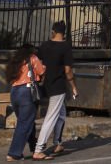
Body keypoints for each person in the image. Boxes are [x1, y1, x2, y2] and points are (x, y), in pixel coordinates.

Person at [33, 22, 78, 160]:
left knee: (61, 114)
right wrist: (73, 86)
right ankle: (39, 149)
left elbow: (38, 63)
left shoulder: (44, 45)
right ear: (63, 33)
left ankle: (57, 143)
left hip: (46, 84)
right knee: (51, 117)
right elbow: (68, 70)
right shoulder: (65, 47)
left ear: (53, 31)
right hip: (58, 86)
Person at [6, 43, 45, 162]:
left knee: (27, 122)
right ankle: (14, 153)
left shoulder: (16, 61)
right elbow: (41, 72)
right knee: (24, 123)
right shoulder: (33, 58)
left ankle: (35, 148)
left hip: (14, 92)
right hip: (27, 92)